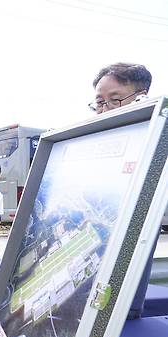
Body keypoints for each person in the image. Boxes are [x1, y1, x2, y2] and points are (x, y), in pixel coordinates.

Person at [90, 62, 156, 319]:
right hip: (94, 250)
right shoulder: (96, 141)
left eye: (115, 100)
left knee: (120, 318)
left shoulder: (155, 140)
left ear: (142, 97)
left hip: (126, 258)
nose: (104, 109)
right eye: (99, 102)